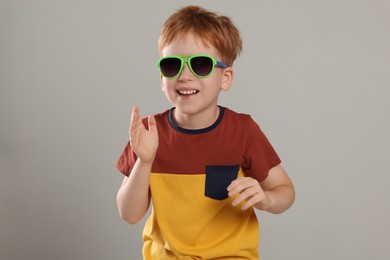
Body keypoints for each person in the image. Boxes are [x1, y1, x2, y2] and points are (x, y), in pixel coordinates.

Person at [116, 5, 295, 259]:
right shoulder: (147, 133)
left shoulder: (242, 131)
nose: (185, 75)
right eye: (172, 65)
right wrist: (145, 161)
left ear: (226, 78)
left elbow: (285, 191)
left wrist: (265, 199)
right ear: (161, 79)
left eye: (200, 65)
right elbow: (130, 214)